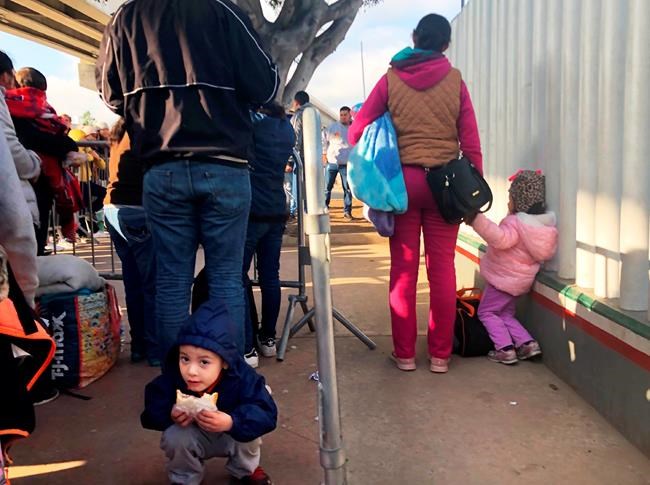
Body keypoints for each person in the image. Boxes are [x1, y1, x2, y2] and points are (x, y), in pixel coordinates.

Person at [97, 0, 279, 359]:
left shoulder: (125, 17)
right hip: (225, 163)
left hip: (161, 165)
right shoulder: (224, 11)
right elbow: (265, 86)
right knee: (226, 278)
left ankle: (176, 380)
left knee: (172, 282)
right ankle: (228, 376)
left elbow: (110, 95)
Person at [349, 14, 483, 373]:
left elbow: (357, 130)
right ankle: (440, 356)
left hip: (402, 187)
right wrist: (473, 191)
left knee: (403, 272)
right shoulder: (455, 81)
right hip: (445, 188)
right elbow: (471, 141)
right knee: (442, 271)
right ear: (446, 44)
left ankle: (405, 354)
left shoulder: (390, 79)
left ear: (414, 37)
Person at [140, 300, 276, 485]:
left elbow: (266, 412)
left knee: (249, 431)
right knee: (174, 436)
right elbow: (152, 407)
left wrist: (233, 421)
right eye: (185, 359)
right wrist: (168, 412)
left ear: (225, 362)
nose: (191, 371)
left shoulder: (243, 378)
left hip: (233, 436)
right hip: (193, 436)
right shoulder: (174, 377)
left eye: (204, 362)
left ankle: (245, 471)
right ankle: (185, 477)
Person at [469, 170, 558, 364]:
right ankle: (527, 344)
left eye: (510, 198)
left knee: (487, 312)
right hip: (519, 282)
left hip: (502, 279)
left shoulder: (515, 223)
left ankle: (504, 349)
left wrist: (476, 219)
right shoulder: (539, 227)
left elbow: (500, 239)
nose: (508, 202)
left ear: (519, 201)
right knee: (505, 314)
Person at [242, 102, 295, 365]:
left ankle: (247, 343)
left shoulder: (254, 125)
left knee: (237, 277)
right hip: (276, 208)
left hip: (251, 209)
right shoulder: (287, 131)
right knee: (270, 277)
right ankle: (269, 338)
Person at [104, 119, 159, 366]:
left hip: (112, 209)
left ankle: (139, 347)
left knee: (133, 281)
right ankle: (155, 349)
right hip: (137, 208)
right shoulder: (145, 129)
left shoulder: (119, 132)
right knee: (151, 285)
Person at [286, 90, 313, 218]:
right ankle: (306, 210)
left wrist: (291, 160)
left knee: (298, 185)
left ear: (296, 102)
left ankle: (295, 210)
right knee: (309, 186)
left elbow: (296, 138)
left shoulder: (298, 115)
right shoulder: (314, 114)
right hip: (312, 156)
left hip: (301, 157)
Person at [323, 106, 354, 218]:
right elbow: (323, 139)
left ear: (350, 115)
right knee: (327, 188)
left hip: (347, 164)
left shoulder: (355, 127)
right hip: (332, 162)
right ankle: (324, 207)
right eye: (341, 115)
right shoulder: (333, 127)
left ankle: (347, 211)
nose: (343, 117)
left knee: (348, 189)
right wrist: (324, 153)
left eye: (345, 115)